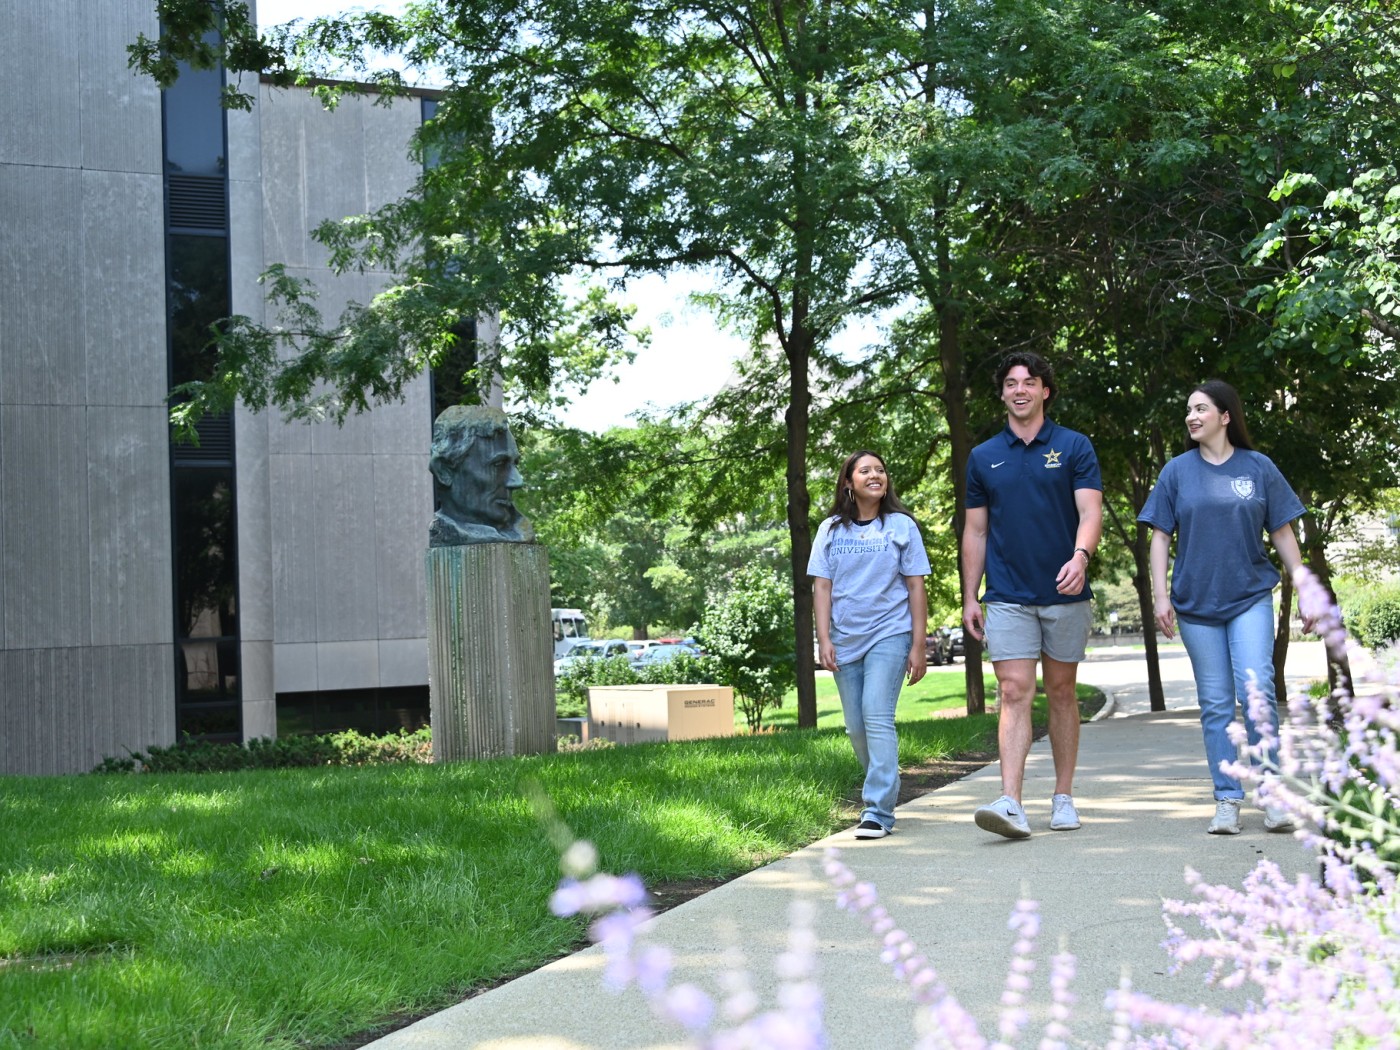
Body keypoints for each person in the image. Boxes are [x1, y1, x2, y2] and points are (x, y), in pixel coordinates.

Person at [1137, 380, 1308, 836]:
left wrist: (1306, 586)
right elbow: (1159, 537)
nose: (1192, 417)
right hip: (1195, 604)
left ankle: (1272, 796)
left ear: (1225, 416)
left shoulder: (1259, 467)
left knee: (1257, 696)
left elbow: (1284, 532)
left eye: (1201, 409)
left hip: (1250, 595)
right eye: (1188, 410)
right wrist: (1160, 596)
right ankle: (1228, 798)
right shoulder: (1176, 472)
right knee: (1215, 705)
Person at [963, 352, 1103, 839]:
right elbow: (975, 532)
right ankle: (1012, 802)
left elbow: (1090, 512)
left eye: (1030, 382)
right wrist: (970, 596)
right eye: (1010, 383)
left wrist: (1081, 557)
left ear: (1046, 391)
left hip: (1065, 592)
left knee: (1062, 693)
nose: (1019, 389)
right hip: (1007, 595)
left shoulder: (1074, 446)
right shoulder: (983, 456)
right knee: (1013, 692)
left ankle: (1063, 797)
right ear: (1001, 393)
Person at [809, 450, 931, 840]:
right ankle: (885, 784)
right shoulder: (830, 530)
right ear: (849, 482)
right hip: (846, 638)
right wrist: (824, 638)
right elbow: (822, 587)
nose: (875, 475)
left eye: (880, 469)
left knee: (876, 715)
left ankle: (877, 809)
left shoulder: (901, 526)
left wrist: (918, 643)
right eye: (865, 471)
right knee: (856, 727)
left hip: (890, 632)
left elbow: (916, 586)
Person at [428, 405, 535, 545]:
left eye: (515, 464)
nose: (517, 481)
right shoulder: (446, 535)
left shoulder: (521, 533)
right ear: (444, 471)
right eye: (499, 464)